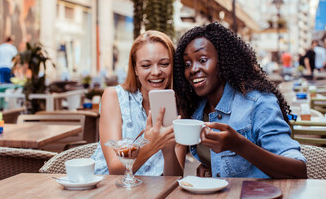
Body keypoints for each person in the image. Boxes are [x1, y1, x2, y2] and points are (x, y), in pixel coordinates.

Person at [173, 22, 307, 178]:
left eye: (202, 60)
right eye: (187, 64)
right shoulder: (197, 109)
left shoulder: (258, 104)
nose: (193, 69)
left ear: (224, 61)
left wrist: (240, 145)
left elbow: (298, 171)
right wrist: (210, 168)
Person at [91, 30, 184, 176]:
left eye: (164, 64)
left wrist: (169, 152)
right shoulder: (114, 96)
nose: (156, 72)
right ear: (135, 69)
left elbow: (175, 179)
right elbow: (115, 170)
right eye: (146, 65)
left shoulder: (179, 107)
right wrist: (150, 146)